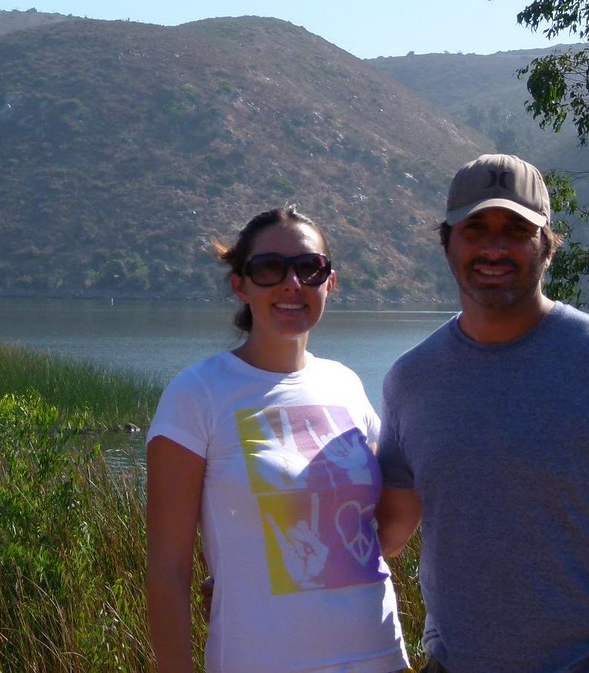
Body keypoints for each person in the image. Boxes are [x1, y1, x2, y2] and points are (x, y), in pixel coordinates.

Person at [375, 154, 589, 673]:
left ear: (547, 245)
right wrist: (251, 569)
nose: (493, 247)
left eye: (516, 229)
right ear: (448, 243)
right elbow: (385, 532)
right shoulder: (411, 380)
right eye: (475, 228)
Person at [146, 206, 409, 673]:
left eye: (310, 268)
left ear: (330, 282)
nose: (292, 283)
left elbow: (382, 532)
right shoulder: (199, 393)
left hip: (378, 655)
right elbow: (168, 569)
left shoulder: (345, 384)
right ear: (241, 286)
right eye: (269, 269)